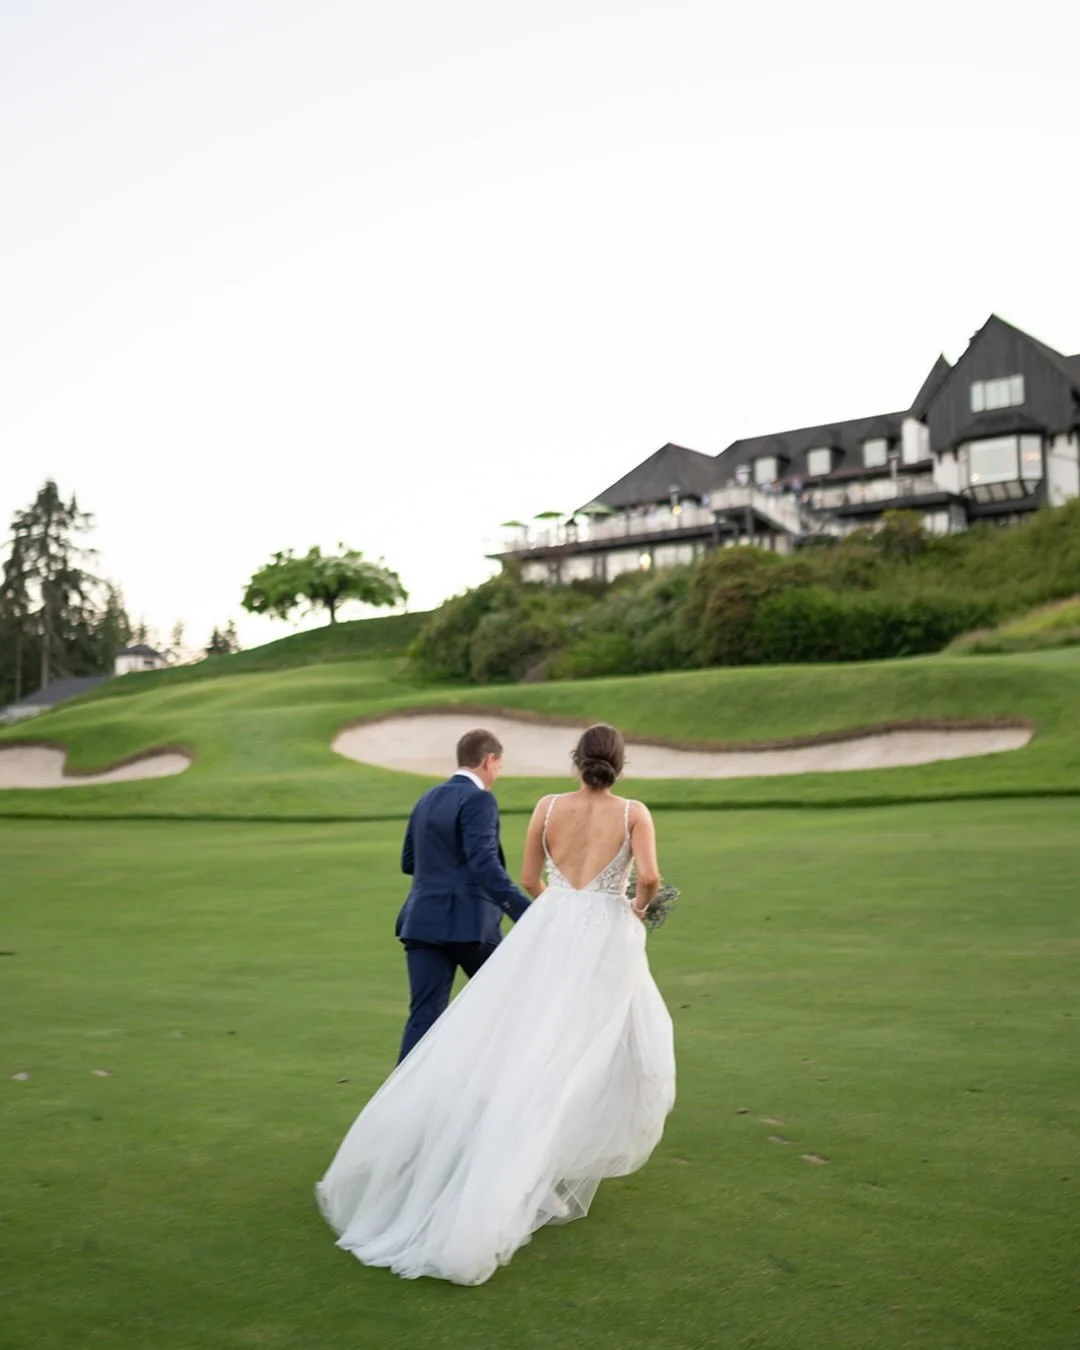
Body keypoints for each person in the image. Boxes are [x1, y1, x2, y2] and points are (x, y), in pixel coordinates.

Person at [315, 723, 676, 1286]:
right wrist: (636, 906)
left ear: (576, 759)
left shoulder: (546, 807)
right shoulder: (634, 812)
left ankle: (449, 1140)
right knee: (585, 1053)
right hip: (606, 938)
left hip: (546, 928)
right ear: (620, 763)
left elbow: (527, 878)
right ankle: (530, 1171)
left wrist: (559, 910)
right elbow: (649, 877)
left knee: (522, 1044)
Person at [395, 728, 530, 1063]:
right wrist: (526, 913)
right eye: (499, 766)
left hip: (422, 922)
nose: (497, 774)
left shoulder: (426, 799)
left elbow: (409, 862)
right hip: (470, 926)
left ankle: (404, 1095)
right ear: (489, 760)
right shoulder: (480, 799)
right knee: (510, 1004)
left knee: (424, 1017)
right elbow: (485, 866)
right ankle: (497, 1082)